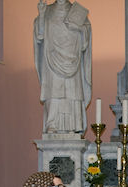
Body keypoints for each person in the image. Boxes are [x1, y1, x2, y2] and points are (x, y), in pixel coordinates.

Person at [34, 0, 92, 134]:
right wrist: (41, 15)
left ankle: (74, 125)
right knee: (54, 92)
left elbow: (85, 42)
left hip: (73, 60)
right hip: (51, 59)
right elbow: (40, 36)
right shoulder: (47, 11)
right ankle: (52, 124)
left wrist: (79, 28)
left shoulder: (77, 12)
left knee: (72, 93)